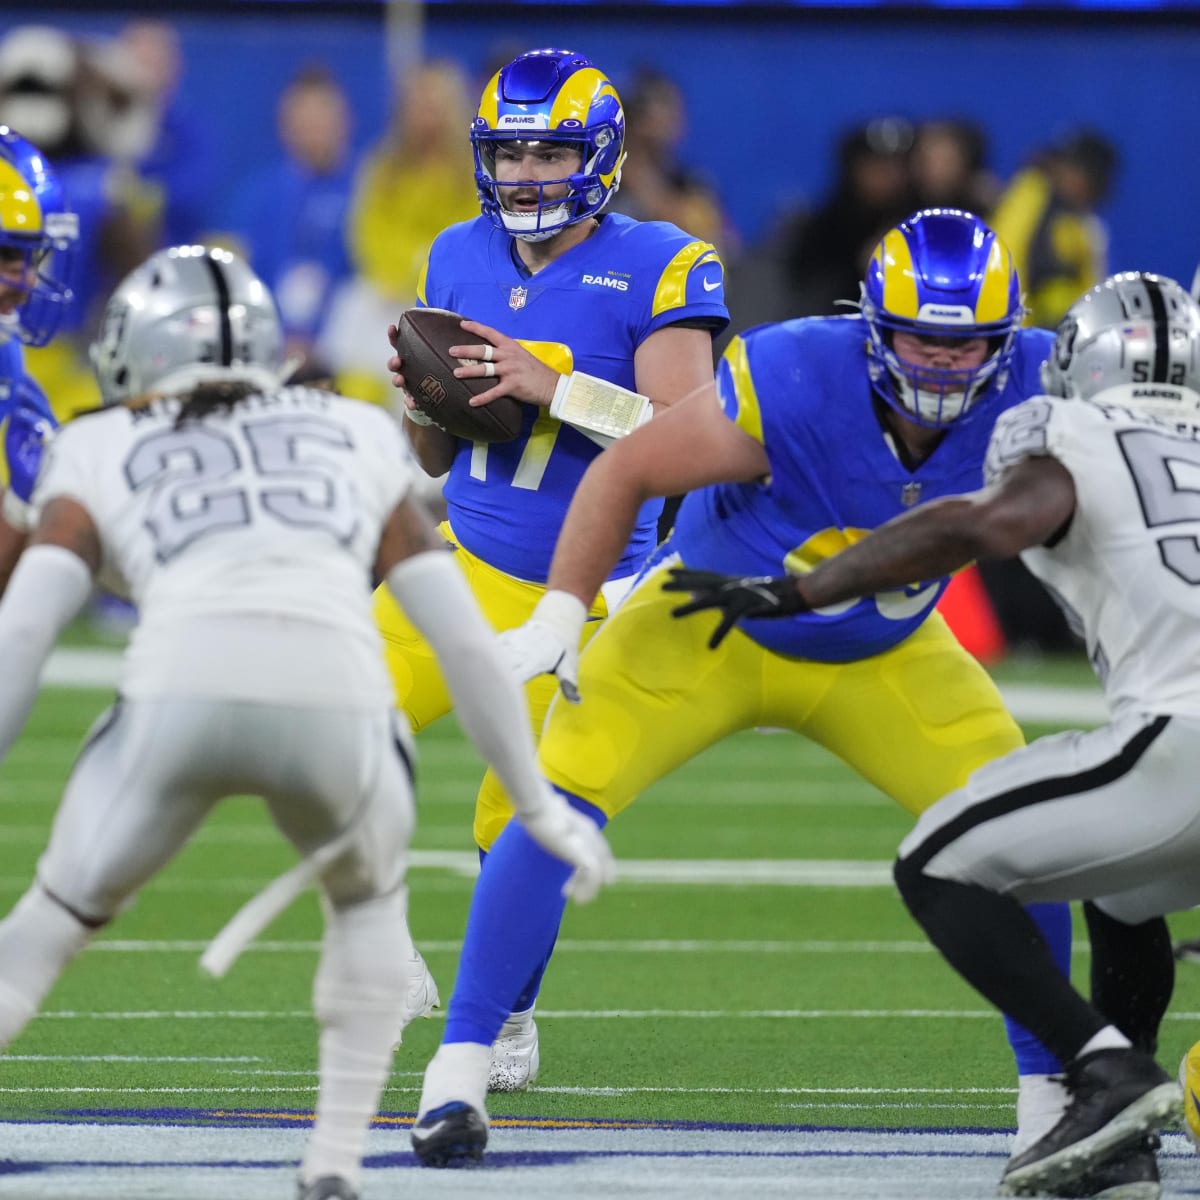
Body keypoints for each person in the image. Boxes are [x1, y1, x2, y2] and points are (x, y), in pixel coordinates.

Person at [409, 208, 1075, 1171]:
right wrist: (560, 614)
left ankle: (1048, 1093)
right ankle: (461, 1071)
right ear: (872, 330)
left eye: (965, 346)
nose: (940, 367)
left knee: (1021, 825)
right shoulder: (802, 369)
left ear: (1008, 342)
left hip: (877, 644)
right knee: (550, 801)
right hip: (710, 621)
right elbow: (628, 470)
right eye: (920, 343)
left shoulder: (1041, 381)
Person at [0, 244, 613, 1200]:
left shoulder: (97, 440)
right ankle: (331, 1162)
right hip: (336, 703)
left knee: (50, 922)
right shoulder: (350, 430)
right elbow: (455, 631)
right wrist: (535, 802)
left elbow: (28, 625)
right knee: (367, 912)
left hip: (179, 694)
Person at [665, 270, 1200, 1199]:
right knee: (1124, 890)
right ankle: (1119, 1148)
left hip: (1182, 740)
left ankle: (1106, 1074)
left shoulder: (1067, 426)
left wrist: (803, 590)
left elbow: (986, 523)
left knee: (936, 865)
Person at [379, 46, 729, 1092]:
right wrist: (423, 403)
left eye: (552, 150)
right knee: (338, 715)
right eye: (511, 151)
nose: (528, 172)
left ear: (602, 155)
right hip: (469, 558)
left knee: (511, 818)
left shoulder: (664, 260)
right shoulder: (456, 250)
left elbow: (695, 435)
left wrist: (553, 385)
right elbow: (437, 455)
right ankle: (380, 941)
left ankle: (510, 1013)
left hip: (584, 591)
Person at [0, 124, 78, 593]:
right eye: (8, 256)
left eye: (33, 260)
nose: (26, 281)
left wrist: (19, 508)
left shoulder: (6, 350)